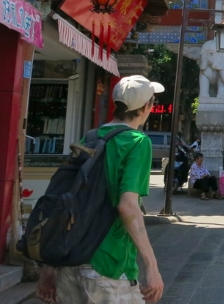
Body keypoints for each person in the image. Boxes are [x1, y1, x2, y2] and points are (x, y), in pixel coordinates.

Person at [36, 74, 165, 304]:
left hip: (71, 259)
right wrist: (152, 265)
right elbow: (127, 206)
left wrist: (50, 266)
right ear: (147, 106)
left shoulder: (90, 137)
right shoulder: (137, 142)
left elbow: (66, 199)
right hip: (109, 265)